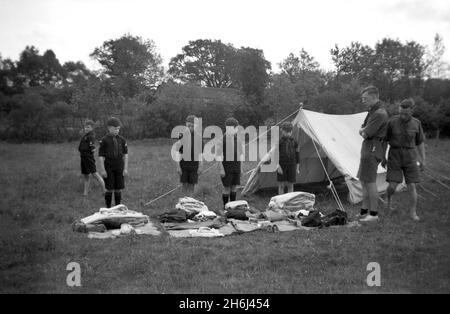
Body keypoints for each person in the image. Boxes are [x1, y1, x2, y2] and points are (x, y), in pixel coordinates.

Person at [383, 99, 425, 221]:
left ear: (412, 111)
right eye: (401, 113)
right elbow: (385, 140)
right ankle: (389, 202)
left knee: (411, 185)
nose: (402, 116)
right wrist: (382, 157)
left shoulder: (417, 123)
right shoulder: (391, 122)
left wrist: (423, 159)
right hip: (394, 155)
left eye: (406, 114)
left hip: (410, 156)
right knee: (392, 186)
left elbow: (420, 142)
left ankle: (413, 212)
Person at [357, 86, 389, 222]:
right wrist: (363, 129)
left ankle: (374, 214)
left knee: (370, 182)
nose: (363, 101)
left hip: (373, 148)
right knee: (364, 181)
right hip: (368, 148)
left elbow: (364, 133)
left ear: (374, 97)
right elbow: (363, 128)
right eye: (362, 99)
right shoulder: (372, 112)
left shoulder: (379, 114)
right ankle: (364, 211)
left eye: (366, 99)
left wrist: (363, 130)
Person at [98, 117, 129, 208]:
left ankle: (118, 207)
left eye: (118, 128)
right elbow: (101, 156)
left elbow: (125, 155)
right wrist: (103, 170)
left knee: (118, 188)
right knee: (109, 188)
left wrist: (125, 168)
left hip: (119, 166)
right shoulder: (104, 140)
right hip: (109, 167)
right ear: (109, 128)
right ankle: (108, 207)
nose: (117, 130)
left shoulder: (122, 140)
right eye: (115, 128)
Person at [218, 117, 244, 208]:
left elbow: (241, 154)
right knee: (227, 188)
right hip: (226, 167)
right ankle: (225, 207)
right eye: (235, 128)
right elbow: (218, 156)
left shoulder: (238, 139)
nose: (236, 129)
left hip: (236, 166)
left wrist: (241, 168)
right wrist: (221, 169)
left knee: (234, 187)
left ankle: (232, 207)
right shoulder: (222, 140)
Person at [175, 115, 203, 196]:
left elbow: (200, 153)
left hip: (194, 165)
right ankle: (183, 203)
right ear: (186, 125)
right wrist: (178, 166)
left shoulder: (199, 137)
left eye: (192, 126)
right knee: (184, 185)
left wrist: (201, 165)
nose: (190, 127)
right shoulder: (182, 136)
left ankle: (190, 202)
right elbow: (178, 152)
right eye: (188, 126)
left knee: (192, 185)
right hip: (183, 165)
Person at [78, 119, 106, 196]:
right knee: (86, 175)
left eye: (88, 127)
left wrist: (89, 154)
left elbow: (93, 149)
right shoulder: (85, 135)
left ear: (92, 128)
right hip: (83, 158)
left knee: (95, 174)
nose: (86, 128)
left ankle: (104, 190)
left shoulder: (91, 136)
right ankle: (85, 193)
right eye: (85, 127)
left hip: (88, 158)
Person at [276, 122, 300, 195]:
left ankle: (289, 202)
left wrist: (297, 167)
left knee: (290, 185)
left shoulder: (295, 142)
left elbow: (297, 155)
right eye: (286, 132)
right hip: (281, 165)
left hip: (292, 165)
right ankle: (281, 203)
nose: (288, 133)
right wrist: (278, 166)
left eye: (289, 132)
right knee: (281, 185)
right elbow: (275, 155)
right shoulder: (279, 142)